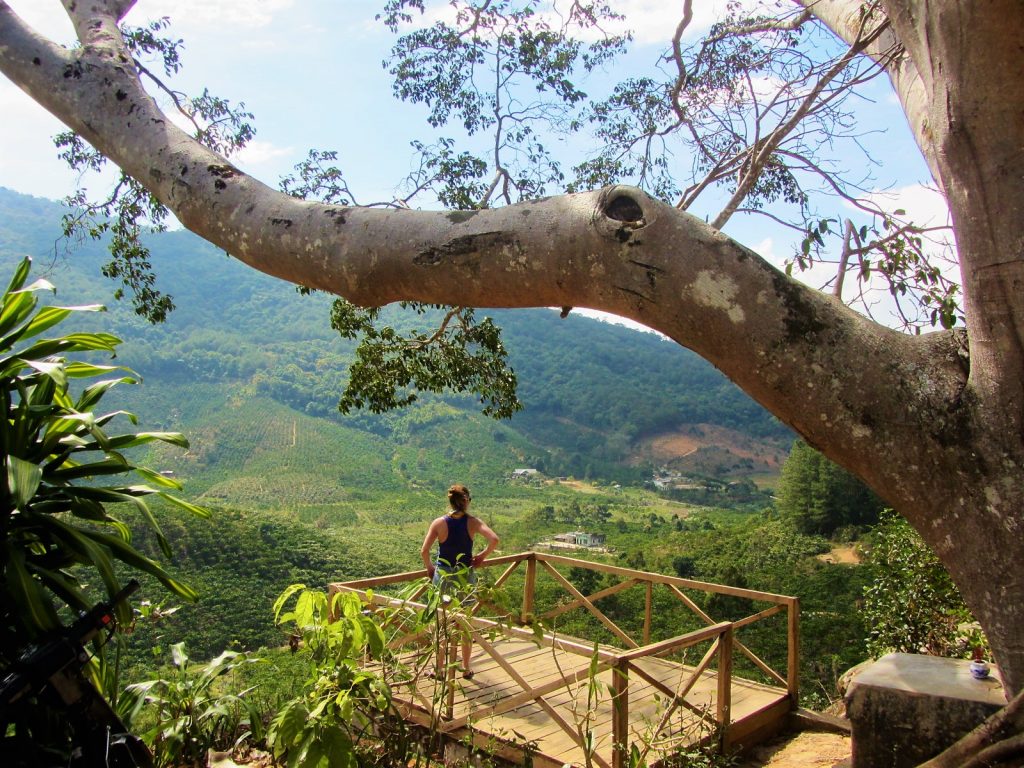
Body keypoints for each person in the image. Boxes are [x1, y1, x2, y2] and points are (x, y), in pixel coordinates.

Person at [420, 483, 499, 679]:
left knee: (442, 623)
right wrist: (481, 556)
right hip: (464, 575)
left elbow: (424, 551)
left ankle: (439, 670)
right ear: (466, 502)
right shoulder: (473, 522)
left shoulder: (438, 523)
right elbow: (494, 539)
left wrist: (430, 568)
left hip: (444, 575)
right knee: (464, 623)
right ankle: (465, 667)